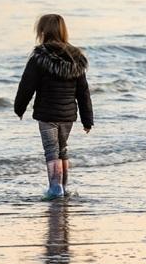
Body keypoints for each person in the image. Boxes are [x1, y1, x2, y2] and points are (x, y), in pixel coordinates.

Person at [14, 14, 94, 200]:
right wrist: (87, 119)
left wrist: (20, 107)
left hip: (47, 114)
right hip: (68, 116)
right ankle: (63, 187)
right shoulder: (76, 57)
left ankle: (55, 187)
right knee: (62, 149)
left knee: (51, 150)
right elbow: (83, 92)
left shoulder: (40, 56)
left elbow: (27, 85)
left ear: (42, 31)